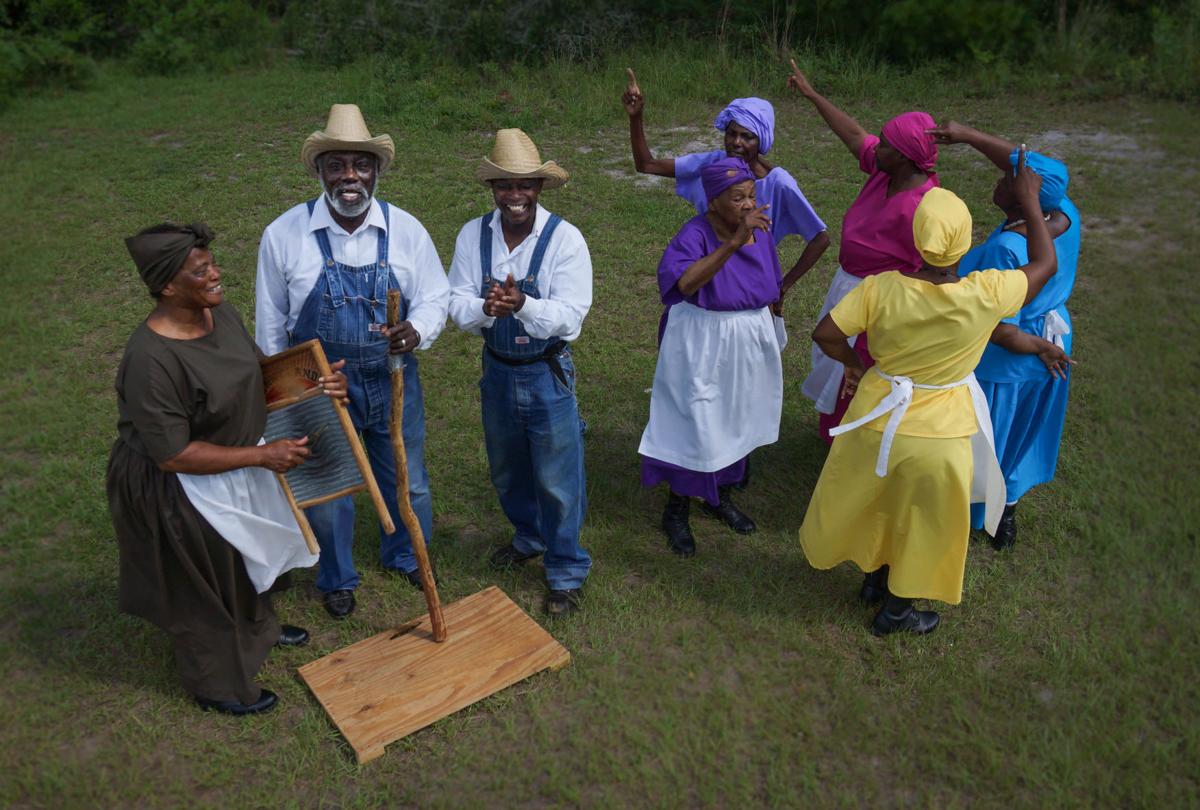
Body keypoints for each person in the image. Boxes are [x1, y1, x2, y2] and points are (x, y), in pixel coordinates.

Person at [798, 152, 1058, 636]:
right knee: (926, 522)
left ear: (917, 237)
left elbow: (826, 334)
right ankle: (897, 611)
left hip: (878, 417)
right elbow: (1045, 262)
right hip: (940, 434)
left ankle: (874, 579)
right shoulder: (985, 293)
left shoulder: (880, 289)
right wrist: (1029, 200)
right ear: (961, 245)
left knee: (881, 499)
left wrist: (854, 368)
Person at [108, 222, 347, 715]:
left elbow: (257, 373)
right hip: (176, 486)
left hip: (232, 463)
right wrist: (263, 455)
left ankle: (260, 627)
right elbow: (172, 453)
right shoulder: (151, 360)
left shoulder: (219, 314)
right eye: (202, 271)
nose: (217, 274)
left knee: (239, 558)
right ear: (168, 286)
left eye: (212, 263)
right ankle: (217, 685)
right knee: (201, 584)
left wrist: (315, 383)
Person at [255, 104, 450, 619]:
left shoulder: (405, 230)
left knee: (407, 474)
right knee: (328, 482)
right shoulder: (283, 235)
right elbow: (271, 323)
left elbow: (435, 296)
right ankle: (337, 575)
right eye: (336, 165)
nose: (350, 176)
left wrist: (418, 329)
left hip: (391, 373)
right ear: (319, 171)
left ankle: (407, 554)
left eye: (360, 165)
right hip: (314, 380)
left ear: (377, 171)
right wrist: (283, 397)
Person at [446, 128, 593, 615]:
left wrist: (524, 304)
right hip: (498, 371)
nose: (514, 196)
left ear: (540, 187)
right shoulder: (473, 234)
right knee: (508, 471)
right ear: (493, 189)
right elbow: (456, 305)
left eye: (524, 185)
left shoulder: (565, 240)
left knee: (557, 478)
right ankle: (528, 538)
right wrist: (488, 308)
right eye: (505, 186)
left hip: (546, 371)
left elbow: (571, 317)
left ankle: (566, 570)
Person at [929, 122, 1080, 551]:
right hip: (1053, 341)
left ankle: (975, 512)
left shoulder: (1007, 251)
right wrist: (970, 137)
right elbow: (1028, 172)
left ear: (1022, 197)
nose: (998, 176)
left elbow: (999, 329)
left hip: (1014, 353)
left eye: (1006, 179)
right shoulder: (1065, 214)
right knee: (1023, 431)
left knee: (989, 433)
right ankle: (1007, 508)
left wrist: (1037, 346)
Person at [786, 60, 941, 443]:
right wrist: (812, 96)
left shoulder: (926, 204)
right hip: (847, 286)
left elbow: (935, 268)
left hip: (880, 300)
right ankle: (833, 433)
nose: (877, 145)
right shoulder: (884, 171)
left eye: (886, 143)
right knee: (833, 358)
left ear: (904, 156)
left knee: (860, 368)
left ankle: (854, 441)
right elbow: (855, 134)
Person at [638, 157, 785, 555]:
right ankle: (677, 508)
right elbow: (684, 282)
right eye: (738, 197)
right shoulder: (696, 234)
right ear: (714, 201)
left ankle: (718, 496)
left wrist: (773, 324)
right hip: (701, 340)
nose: (748, 204)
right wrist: (733, 243)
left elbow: (772, 283)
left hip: (746, 339)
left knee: (735, 417)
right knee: (696, 421)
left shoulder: (760, 232)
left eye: (751, 195)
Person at [622, 68, 829, 318]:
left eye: (747, 136)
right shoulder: (715, 166)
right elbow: (647, 165)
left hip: (752, 284)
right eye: (732, 133)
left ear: (761, 140)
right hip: (708, 270)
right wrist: (636, 117)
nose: (736, 142)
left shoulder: (778, 183)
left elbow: (820, 238)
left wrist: (783, 285)